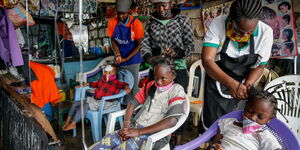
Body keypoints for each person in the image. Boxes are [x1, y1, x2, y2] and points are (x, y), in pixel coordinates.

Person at [201, 0, 273, 130]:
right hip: (216, 81)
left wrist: (247, 85)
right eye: (239, 31)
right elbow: (207, 60)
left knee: (235, 127)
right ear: (230, 19)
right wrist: (230, 83)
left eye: (250, 32)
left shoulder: (265, 33)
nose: (244, 35)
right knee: (213, 127)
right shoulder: (218, 23)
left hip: (243, 84)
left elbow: (259, 66)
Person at [91, 57, 187, 150]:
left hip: (155, 135)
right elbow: (132, 103)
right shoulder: (150, 85)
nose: (158, 82)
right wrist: (126, 126)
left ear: (173, 76)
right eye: (156, 77)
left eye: (163, 79)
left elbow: (171, 121)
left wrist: (139, 132)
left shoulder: (176, 90)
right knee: (104, 143)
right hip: (135, 127)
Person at [141, 0, 194, 145]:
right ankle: (159, 139)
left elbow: (190, 45)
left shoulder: (182, 20)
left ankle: (177, 142)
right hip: (157, 71)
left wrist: (177, 53)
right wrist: (150, 59)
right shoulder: (151, 23)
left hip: (178, 68)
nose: (161, 8)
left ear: (171, 4)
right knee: (157, 104)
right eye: (157, 5)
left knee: (178, 106)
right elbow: (144, 46)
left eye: (164, 4)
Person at [207, 88, 282, 150]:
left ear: (269, 119)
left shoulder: (264, 135)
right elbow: (215, 143)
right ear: (245, 107)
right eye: (249, 111)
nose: (252, 118)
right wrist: (214, 147)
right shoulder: (228, 123)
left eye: (260, 117)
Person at [62, 65, 131, 131]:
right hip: (95, 100)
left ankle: (73, 124)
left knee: (85, 106)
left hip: (106, 102)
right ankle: (67, 122)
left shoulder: (115, 82)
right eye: (106, 72)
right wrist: (87, 84)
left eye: (110, 73)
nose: (107, 74)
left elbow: (124, 84)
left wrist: (127, 88)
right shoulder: (101, 80)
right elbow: (95, 84)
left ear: (115, 73)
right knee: (76, 103)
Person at [107, 0, 144, 105]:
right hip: (120, 58)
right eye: (119, 13)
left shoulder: (136, 24)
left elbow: (140, 44)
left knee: (132, 87)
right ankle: (122, 109)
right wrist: (118, 55)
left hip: (133, 58)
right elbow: (113, 40)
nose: (121, 16)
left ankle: (133, 111)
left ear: (129, 12)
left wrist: (126, 59)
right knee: (121, 85)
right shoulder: (112, 22)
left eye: (124, 13)